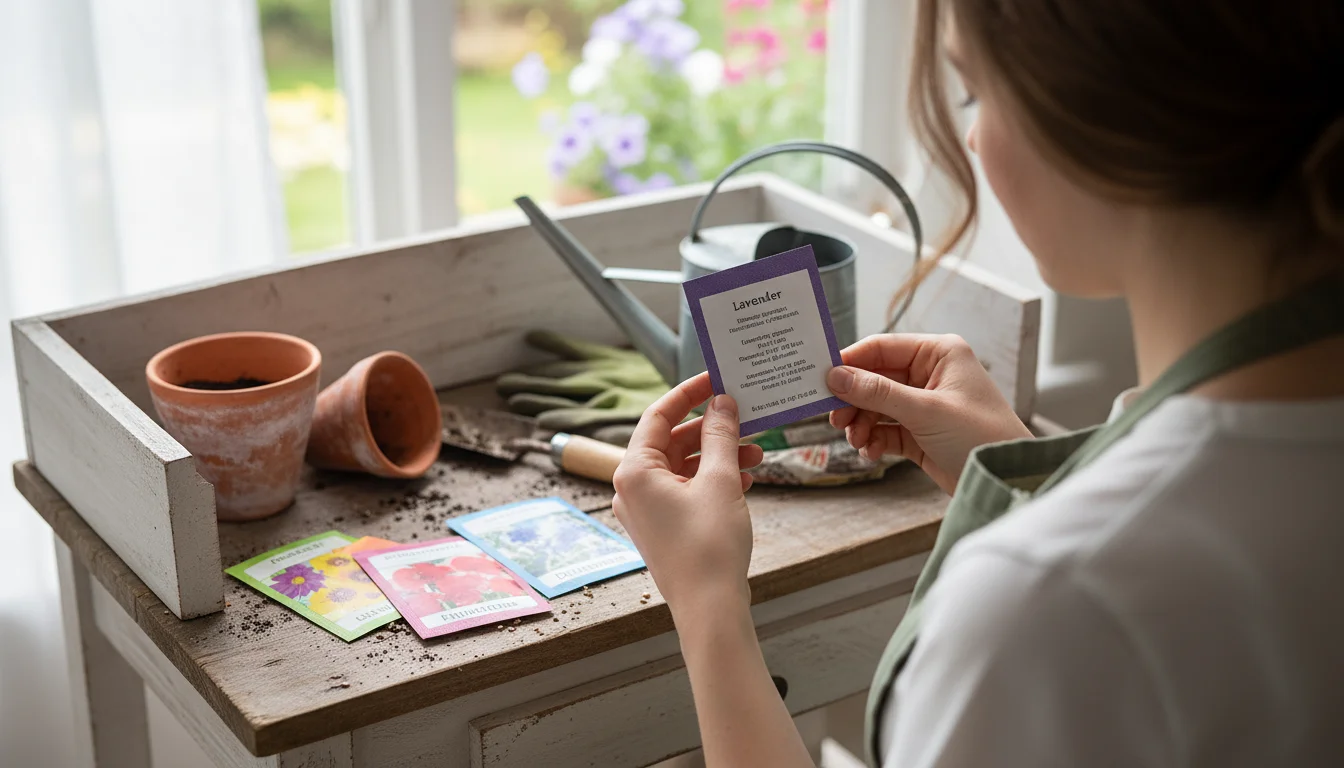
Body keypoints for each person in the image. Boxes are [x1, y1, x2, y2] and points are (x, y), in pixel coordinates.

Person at [610, 0, 1344, 766]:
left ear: (1091, 111)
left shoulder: (1043, 607)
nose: (970, 134)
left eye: (974, 92)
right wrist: (1020, 468)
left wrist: (707, 606)